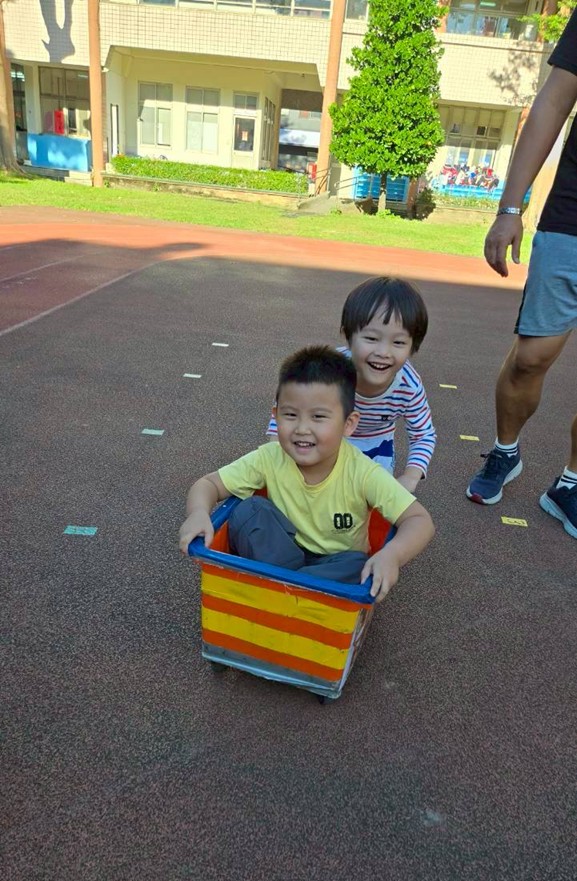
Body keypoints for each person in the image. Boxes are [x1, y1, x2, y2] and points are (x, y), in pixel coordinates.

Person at [179, 346, 435, 602]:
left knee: (358, 565)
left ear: (348, 424)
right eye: (290, 415)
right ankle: (293, 591)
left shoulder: (364, 472)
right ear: (276, 416)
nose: (302, 428)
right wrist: (198, 513)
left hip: (335, 564)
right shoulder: (269, 456)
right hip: (281, 552)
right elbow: (208, 484)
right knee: (249, 510)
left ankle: (279, 588)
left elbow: (420, 520)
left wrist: (392, 555)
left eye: (318, 417)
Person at [467, 7, 577, 540]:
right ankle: (505, 452)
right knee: (531, 358)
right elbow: (553, 102)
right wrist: (511, 207)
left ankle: (570, 483)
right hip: (572, 219)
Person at [267, 277, 436, 494]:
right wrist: (276, 451)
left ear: (413, 346)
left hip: (376, 446)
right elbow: (287, 407)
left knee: (370, 499)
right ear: (347, 335)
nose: (383, 352)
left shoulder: (408, 386)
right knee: (305, 490)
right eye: (371, 338)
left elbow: (423, 434)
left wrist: (411, 476)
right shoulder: (329, 369)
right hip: (327, 436)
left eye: (398, 342)